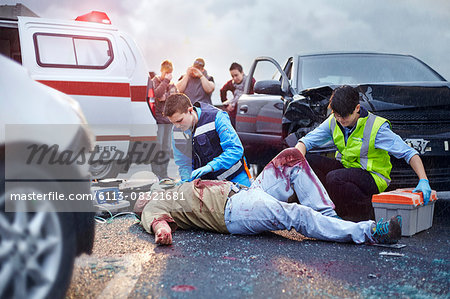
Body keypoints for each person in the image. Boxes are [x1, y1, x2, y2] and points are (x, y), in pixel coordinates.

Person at [137, 148, 402, 246]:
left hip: (246, 192)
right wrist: (162, 232)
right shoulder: (154, 205)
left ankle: (329, 220)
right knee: (296, 214)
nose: (142, 195)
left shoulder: (170, 186)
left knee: (291, 158)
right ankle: (366, 232)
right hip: (234, 211)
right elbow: (158, 223)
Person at [295, 85, 431, 221]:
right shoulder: (334, 121)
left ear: (357, 109)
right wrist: (294, 162)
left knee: (334, 177)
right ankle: (329, 208)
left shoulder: (376, 128)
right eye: (337, 115)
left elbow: (409, 153)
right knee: (308, 161)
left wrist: (423, 180)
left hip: (373, 177)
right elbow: (305, 142)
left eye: (345, 116)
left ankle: (365, 212)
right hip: (348, 170)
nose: (341, 120)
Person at [163, 93, 251, 187]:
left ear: (190, 110)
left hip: (236, 178)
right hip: (207, 186)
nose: (177, 126)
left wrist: (211, 166)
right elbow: (183, 162)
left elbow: (235, 149)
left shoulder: (216, 117)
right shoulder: (177, 131)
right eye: (173, 123)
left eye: (179, 120)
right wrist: (186, 181)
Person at [151, 60, 177, 180]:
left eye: (170, 73)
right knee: (158, 146)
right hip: (158, 120)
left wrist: (165, 96)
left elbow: (174, 98)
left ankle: (164, 174)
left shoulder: (172, 84)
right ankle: (156, 174)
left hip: (168, 120)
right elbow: (157, 94)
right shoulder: (155, 81)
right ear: (161, 71)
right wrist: (165, 82)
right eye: (166, 73)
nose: (168, 75)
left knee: (166, 148)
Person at [220, 62, 256, 128]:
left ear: (242, 72)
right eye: (232, 76)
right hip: (234, 113)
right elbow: (222, 91)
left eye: (236, 75)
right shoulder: (231, 83)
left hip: (248, 112)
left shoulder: (250, 81)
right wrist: (227, 105)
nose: (234, 78)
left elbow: (257, 93)